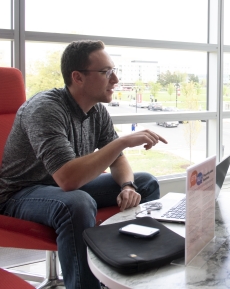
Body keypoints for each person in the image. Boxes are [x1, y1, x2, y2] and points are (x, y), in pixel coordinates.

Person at [0, 40, 167, 289]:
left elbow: (118, 161)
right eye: (106, 72)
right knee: (77, 202)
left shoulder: (96, 111)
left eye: (113, 70)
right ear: (77, 77)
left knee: (146, 183)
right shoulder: (45, 109)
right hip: (19, 193)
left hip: (62, 189)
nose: (116, 80)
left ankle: (128, 270)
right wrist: (121, 142)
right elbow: (68, 180)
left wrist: (128, 186)